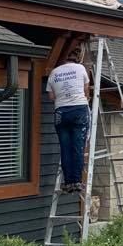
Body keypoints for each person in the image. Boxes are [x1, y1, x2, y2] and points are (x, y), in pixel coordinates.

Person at [47, 48, 91, 193]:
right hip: (78, 109)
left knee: (65, 148)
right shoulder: (80, 68)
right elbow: (86, 90)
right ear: (77, 58)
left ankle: (68, 183)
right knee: (77, 146)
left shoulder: (54, 72)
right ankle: (77, 181)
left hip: (61, 113)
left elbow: (52, 97)